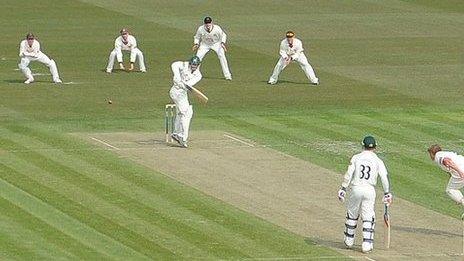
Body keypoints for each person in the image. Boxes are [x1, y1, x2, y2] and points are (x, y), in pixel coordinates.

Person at [337, 136, 392, 253]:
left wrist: (343, 188)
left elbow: (349, 174)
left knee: (352, 213)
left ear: (362, 145)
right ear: (375, 147)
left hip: (356, 188)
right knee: (368, 215)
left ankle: (349, 240)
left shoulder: (356, 157)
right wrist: (387, 192)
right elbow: (384, 177)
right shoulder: (378, 161)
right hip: (369, 190)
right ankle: (366, 244)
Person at [169, 56, 203, 148]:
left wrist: (182, 84)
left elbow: (188, 85)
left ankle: (177, 133)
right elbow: (174, 64)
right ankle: (182, 137)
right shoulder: (184, 65)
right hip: (175, 92)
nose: (193, 66)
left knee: (183, 113)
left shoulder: (198, 75)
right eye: (192, 64)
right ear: (190, 63)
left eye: (195, 65)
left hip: (183, 93)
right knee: (187, 113)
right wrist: (176, 75)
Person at [192, 16, 232, 80]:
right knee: (197, 58)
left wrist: (222, 43)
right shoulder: (200, 29)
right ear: (204, 23)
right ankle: (195, 74)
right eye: (206, 23)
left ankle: (227, 75)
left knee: (222, 56)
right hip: (204, 44)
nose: (208, 24)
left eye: (209, 23)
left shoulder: (217, 28)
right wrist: (196, 44)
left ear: (211, 23)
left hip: (216, 44)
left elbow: (223, 35)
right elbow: (197, 37)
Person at [427, 145, 464, 209]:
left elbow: (447, 161)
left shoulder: (437, 156)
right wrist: (456, 197)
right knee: (453, 190)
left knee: (450, 190)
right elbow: (450, 172)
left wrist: (460, 172)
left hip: (460, 170)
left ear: (432, 153)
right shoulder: (445, 153)